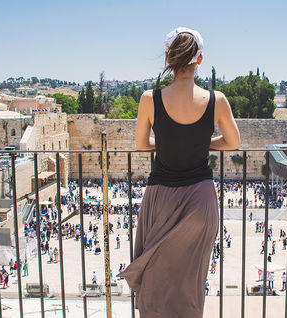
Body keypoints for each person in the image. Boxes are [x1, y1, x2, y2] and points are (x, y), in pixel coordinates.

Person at [117, 26, 240, 317]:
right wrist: (201, 141)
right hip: (200, 200)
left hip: (161, 199)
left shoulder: (150, 98)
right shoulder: (217, 100)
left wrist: (168, 140)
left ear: (168, 59)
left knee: (156, 279)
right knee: (191, 283)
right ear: (199, 60)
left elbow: (141, 144)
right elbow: (233, 142)